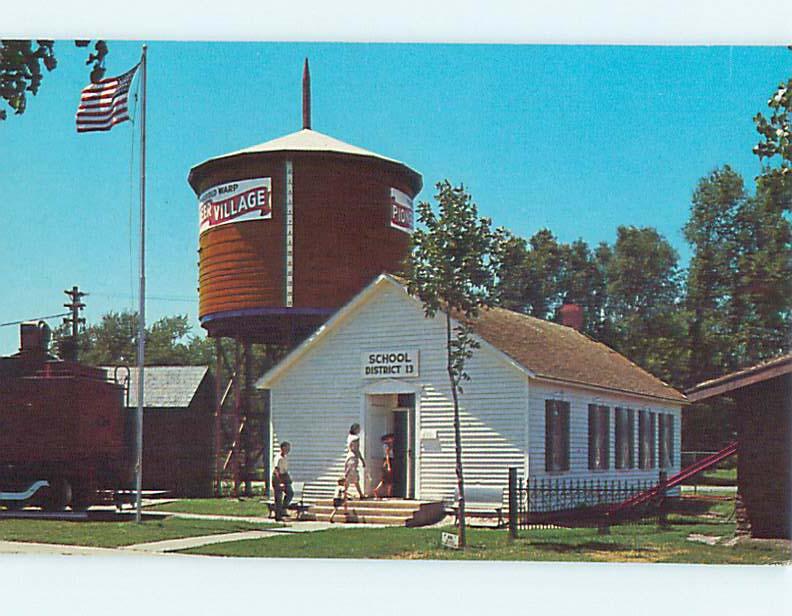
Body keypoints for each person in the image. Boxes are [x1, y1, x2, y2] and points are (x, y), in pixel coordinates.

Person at [272, 441, 293, 521]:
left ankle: (283, 508)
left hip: (284, 476)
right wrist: (280, 482)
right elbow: (276, 470)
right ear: (283, 448)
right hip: (277, 477)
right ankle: (278, 516)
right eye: (287, 447)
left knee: (290, 493)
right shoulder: (278, 458)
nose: (289, 449)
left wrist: (288, 478)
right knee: (278, 497)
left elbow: (285, 469)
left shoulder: (285, 457)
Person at [344, 423, 366, 499]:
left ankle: (360, 494)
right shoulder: (355, 438)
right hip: (353, 458)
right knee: (351, 476)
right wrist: (362, 459)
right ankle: (344, 493)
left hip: (349, 457)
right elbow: (356, 449)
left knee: (353, 477)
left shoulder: (349, 437)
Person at [372, 433, 394, 499]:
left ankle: (385, 492)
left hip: (387, 461)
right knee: (389, 479)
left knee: (385, 480)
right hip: (388, 461)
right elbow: (387, 456)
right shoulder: (387, 446)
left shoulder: (387, 446)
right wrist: (389, 466)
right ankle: (388, 493)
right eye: (391, 438)